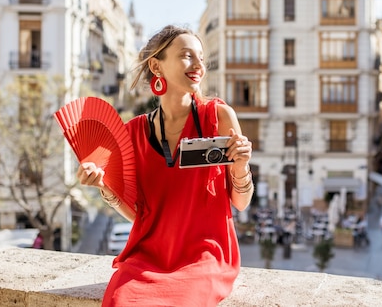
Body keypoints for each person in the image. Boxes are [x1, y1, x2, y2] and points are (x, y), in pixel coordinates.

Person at [76, 25, 254, 306]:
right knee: (119, 299)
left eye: (201, 58)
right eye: (187, 56)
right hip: (147, 257)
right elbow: (140, 216)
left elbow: (240, 203)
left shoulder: (218, 116)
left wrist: (241, 166)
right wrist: (105, 186)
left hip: (205, 256)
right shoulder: (133, 132)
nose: (198, 66)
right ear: (156, 65)